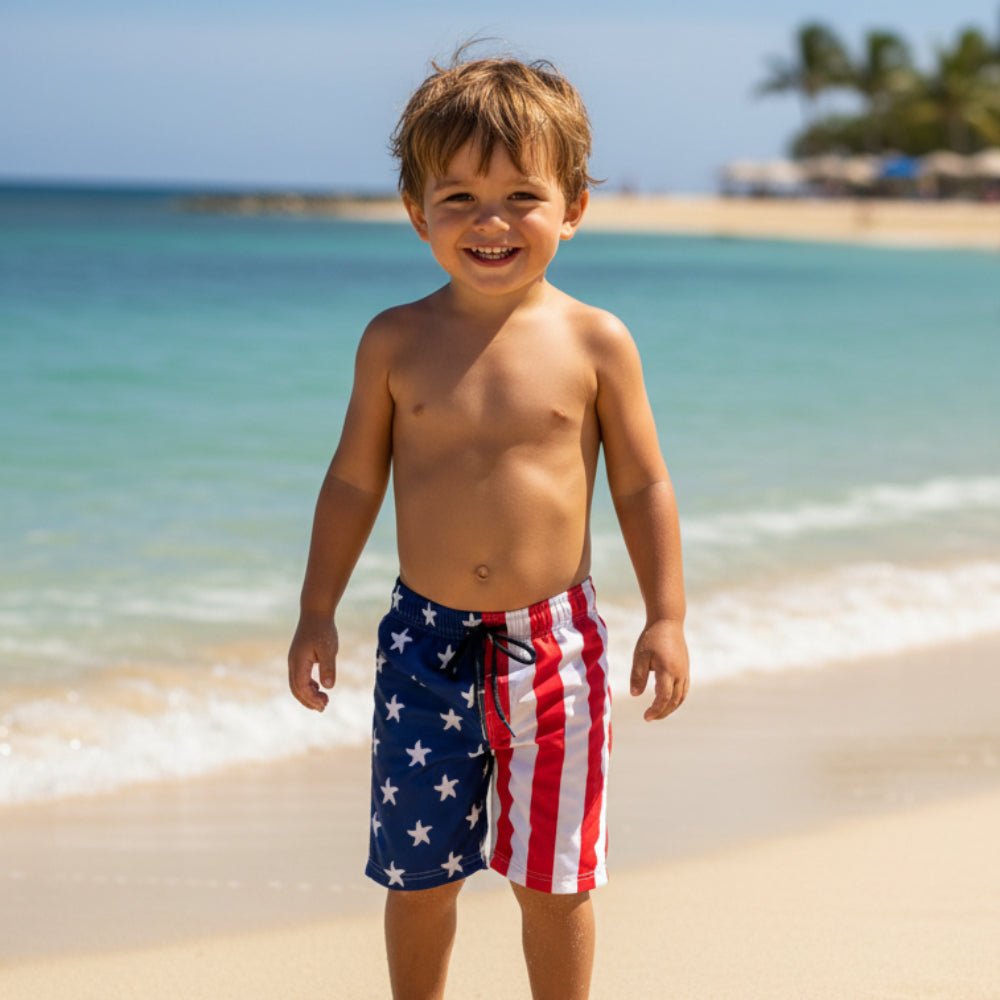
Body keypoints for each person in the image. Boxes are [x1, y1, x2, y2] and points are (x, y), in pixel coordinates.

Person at [288, 51, 689, 1000]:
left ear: (574, 206)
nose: (491, 222)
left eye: (521, 196)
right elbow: (352, 482)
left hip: (555, 650)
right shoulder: (394, 339)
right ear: (415, 209)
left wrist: (666, 615)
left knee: (554, 883)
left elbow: (642, 485)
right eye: (459, 196)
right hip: (422, 645)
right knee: (418, 878)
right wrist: (315, 610)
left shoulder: (597, 341)